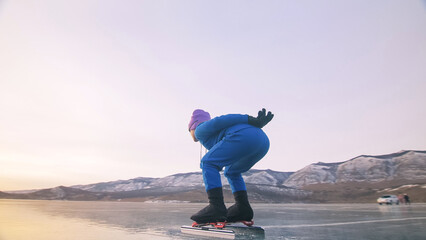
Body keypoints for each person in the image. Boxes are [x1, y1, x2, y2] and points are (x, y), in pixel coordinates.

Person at [188, 108, 274, 224]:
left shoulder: (200, 129)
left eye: (189, 130)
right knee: (231, 171)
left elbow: (221, 120)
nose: (191, 134)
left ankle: (215, 207)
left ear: (193, 125)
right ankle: (243, 208)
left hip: (244, 136)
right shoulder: (214, 135)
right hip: (262, 142)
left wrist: (249, 119)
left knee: (207, 162)